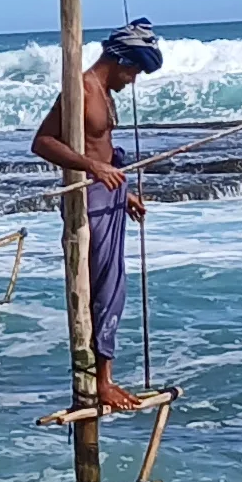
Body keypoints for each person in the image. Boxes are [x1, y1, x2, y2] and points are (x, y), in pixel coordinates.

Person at [31, 20, 162, 413]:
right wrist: (92, 168)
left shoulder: (105, 91)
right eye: (134, 71)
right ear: (120, 60)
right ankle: (100, 381)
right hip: (88, 200)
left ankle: (106, 374)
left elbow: (103, 148)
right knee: (100, 289)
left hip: (110, 196)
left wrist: (125, 192)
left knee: (114, 288)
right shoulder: (82, 89)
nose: (133, 80)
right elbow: (42, 142)